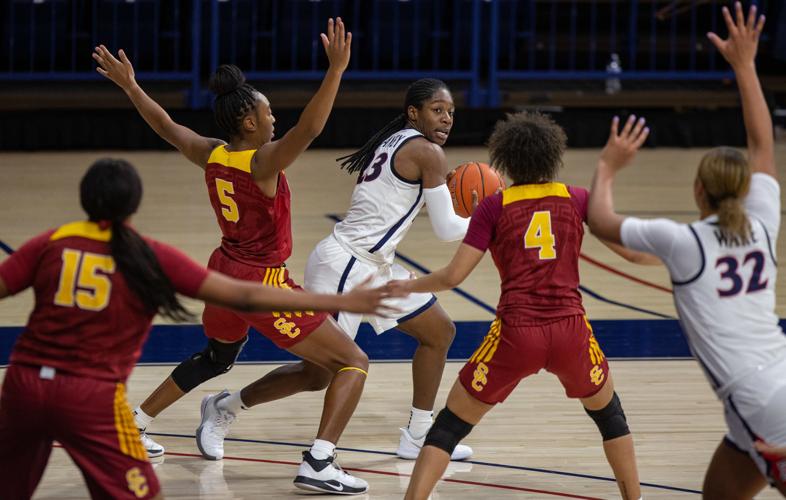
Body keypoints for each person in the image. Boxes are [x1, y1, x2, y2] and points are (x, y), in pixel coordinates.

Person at [0, 159, 396, 499]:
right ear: (134, 204)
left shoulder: (50, 243)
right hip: (88, 395)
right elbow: (247, 295)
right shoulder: (148, 256)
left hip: (23, 385)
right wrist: (341, 303)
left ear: (84, 198)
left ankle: (152, 418)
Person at [93, 19, 374, 494]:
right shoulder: (262, 162)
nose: (274, 120)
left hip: (222, 271)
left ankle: (135, 422)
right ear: (249, 123)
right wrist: (336, 71)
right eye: (268, 114)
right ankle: (319, 462)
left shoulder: (213, 155)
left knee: (218, 357)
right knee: (353, 361)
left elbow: (165, 126)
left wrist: (132, 86)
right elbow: (310, 128)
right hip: (260, 282)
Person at [192, 77, 477, 462]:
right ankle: (228, 408)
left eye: (451, 113)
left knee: (439, 331)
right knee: (320, 373)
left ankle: (419, 433)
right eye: (437, 110)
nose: (446, 119)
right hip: (347, 265)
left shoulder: (398, 140)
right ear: (414, 113)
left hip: (374, 264)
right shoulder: (427, 152)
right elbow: (446, 230)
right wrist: (490, 217)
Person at [389, 110, 648, 500]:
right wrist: (686, 257)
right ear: (555, 156)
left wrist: (406, 286)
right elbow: (632, 253)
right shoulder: (577, 198)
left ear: (504, 161)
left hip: (516, 335)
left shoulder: (494, 207)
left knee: (449, 427)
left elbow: (452, 277)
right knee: (611, 417)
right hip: (570, 332)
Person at [587, 3, 785, 497]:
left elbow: (602, 220)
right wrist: (745, 66)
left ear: (698, 190)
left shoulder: (684, 241)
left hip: (758, 401)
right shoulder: (762, 221)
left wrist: (608, 166)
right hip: (771, 387)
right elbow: (762, 145)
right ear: (746, 190)